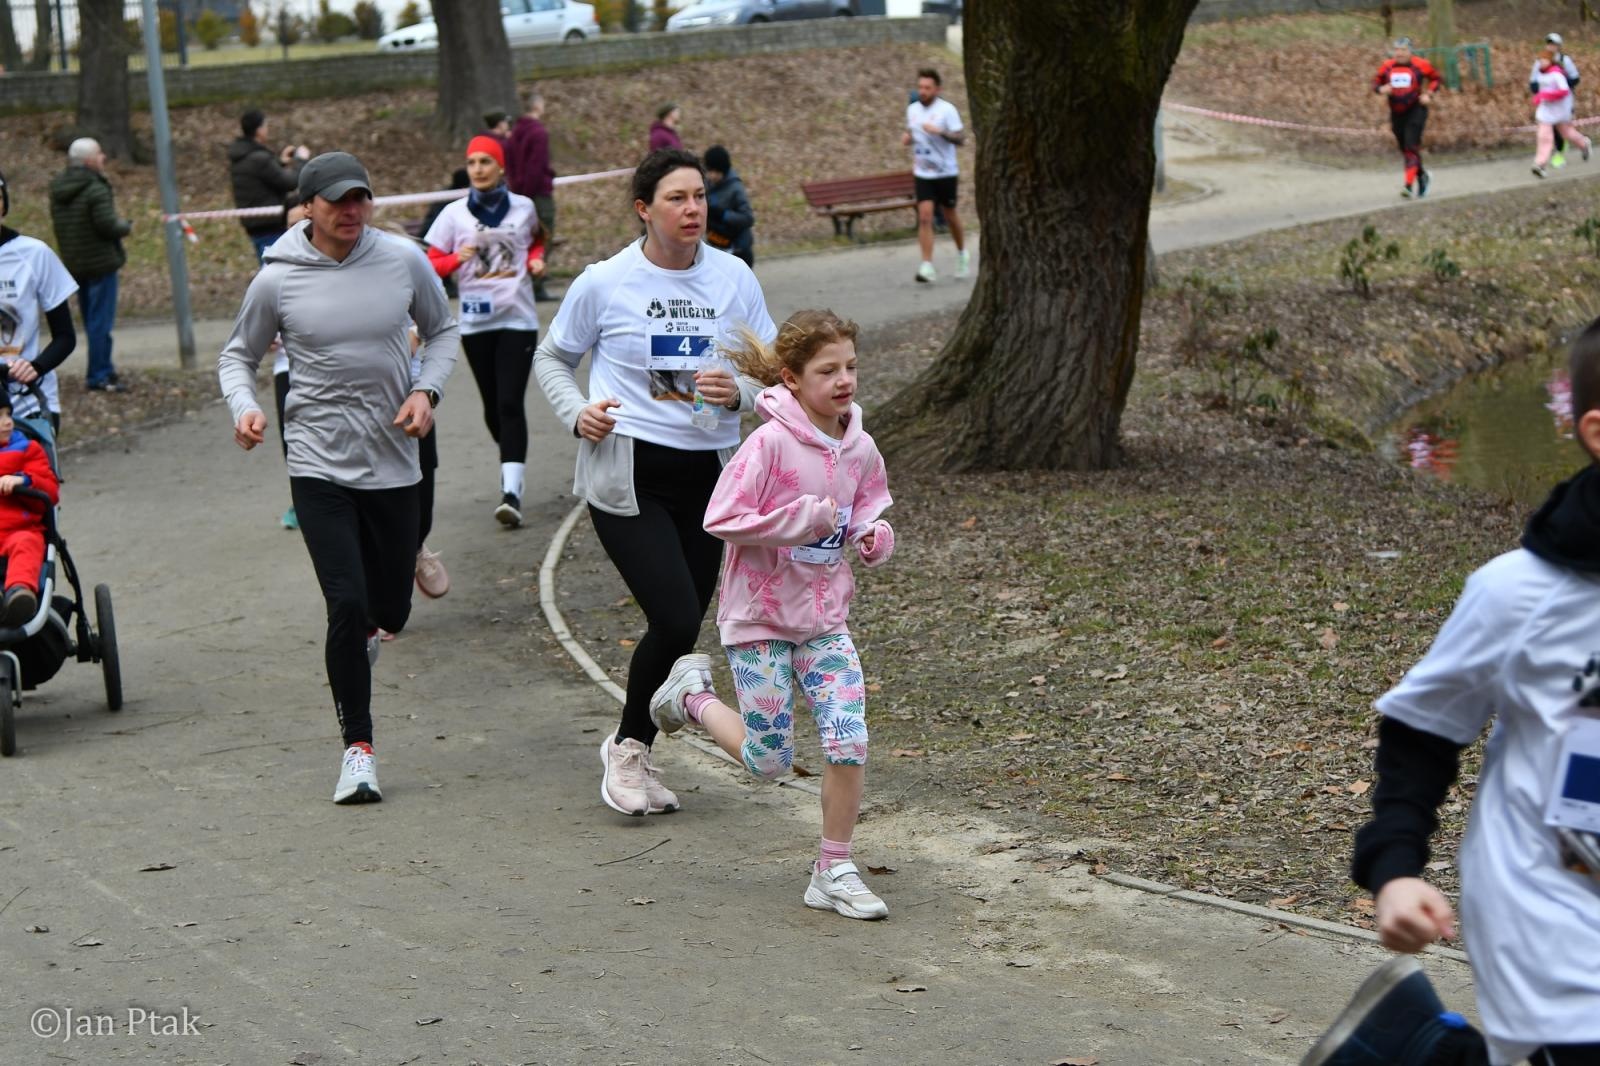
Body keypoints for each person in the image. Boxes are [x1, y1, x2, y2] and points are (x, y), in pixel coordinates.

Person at [1300, 317, 1600, 1065]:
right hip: (1549, 916)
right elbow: (1423, 729)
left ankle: (1426, 1052)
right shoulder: (1518, 597)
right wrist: (1395, 868)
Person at [534, 147, 776, 817]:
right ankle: (630, 748)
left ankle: (631, 740)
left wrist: (740, 396)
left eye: (699, 195)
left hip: (712, 476)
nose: (693, 208)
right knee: (672, 616)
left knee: (682, 624)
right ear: (645, 209)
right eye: (677, 198)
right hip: (629, 471)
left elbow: (777, 374)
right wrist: (575, 411)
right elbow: (553, 356)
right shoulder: (606, 280)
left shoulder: (734, 278)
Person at [217, 151, 459, 805]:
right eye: (337, 201)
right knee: (345, 605)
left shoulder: (402, 259)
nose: (351, 211)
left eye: (360, 198)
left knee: (389, 611)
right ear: (309, 207)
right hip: (317, 463)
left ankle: (379, 613)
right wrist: (244, 406)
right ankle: (359, 751)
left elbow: (442, 331)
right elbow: (237, 355)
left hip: (394, 462)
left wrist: (426, 393)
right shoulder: (278, 278)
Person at [649, 308, 895, 920]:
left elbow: (867, 506)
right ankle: (693, 698)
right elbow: (720, 519)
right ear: (790, 377)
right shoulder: (767, 443)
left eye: (851, 367)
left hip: (824, 620)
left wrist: (873, 534)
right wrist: (798, 520)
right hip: (759, 617)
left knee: (848, 737)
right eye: (827, 370)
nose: (844, 381)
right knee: (770, 762)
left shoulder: (858, 444)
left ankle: (833, 866)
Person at [425, 135, 546, 527]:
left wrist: (537, 261)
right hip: (476, 322)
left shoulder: (524, 208)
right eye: (472, 162)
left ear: (500, 167)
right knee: (493, 408)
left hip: (518, 319)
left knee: (510, 403)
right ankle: (510, 454)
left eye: (485, 162)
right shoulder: (453, 214)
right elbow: (430, 263)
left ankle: (511, 492)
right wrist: (452, 262)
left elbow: (535, 242)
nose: (477, 168)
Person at [48, 138, 130, 394]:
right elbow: (107, 225)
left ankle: (100, 369)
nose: (104, 157)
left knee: (90, 320)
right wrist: (126, 226)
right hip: (100, 263)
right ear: (88, 161)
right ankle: (100, 373)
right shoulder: (95, 188)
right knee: (100, 323)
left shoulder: (58, 187)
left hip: (75, 263)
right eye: (99, 153)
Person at [0, 168, 76, 434]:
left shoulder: (34, 254)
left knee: (33, 476)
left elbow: (65, 337)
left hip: (29, 402)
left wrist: (35, 367)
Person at [902, 68, 968, 284]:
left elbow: (961, 139)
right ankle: (927, 266)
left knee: (950, 215)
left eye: (927, 88)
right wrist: (908, 138)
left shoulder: (947, 110)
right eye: (920, 87)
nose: (923, 91)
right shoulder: (912, 110)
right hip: (923, 173)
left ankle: (962, 253)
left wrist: (939, 131)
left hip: (946, 172)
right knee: (925, 216)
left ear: (937, 89)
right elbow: (913, 132)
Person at [0, 389, 59, 626]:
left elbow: (51, 491)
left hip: (19, 529)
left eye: (8, 414)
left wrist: (24, 480)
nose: (7, 422)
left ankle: (19, 594)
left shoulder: (28, 450)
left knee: (27, 543)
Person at [227, 109, 310, 262]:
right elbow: (290, 182)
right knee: (276, 269)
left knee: (269, 268)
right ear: (259, 130)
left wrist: (281, 163)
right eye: (265, 126)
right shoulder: (259, 159)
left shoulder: (242, 156)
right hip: (270, 225)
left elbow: (262, 178)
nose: (267, 129)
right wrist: (301, 161)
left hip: (255, 224)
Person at [1372, 37, 1441, 199]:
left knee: (1411, 145)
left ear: (1410, 51)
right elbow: (1375, 83)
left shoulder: (1421, 64)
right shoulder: (1387, 66)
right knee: (1406, 148)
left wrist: (1428, 94)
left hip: (1416, 109)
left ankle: (1408, 186)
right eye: (1397, 50)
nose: (1400, 53)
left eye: (1403, 50)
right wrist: (1381, 89)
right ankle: (1422, 175)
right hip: (1396, 112)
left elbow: (1436, 79)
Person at [507, 88, 557, 302]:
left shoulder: (514, 133)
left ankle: (524, 283)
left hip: (517, 193)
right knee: (542, 238)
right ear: (537, 106)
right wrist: (528, 196)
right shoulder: (538, 133)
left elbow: (511, 165)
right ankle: (535, 285)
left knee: (523, 240)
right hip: (536, 195)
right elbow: (535, 168)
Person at [1532, 38, 1592, 179]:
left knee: (1567, 134)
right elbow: (1537, 85)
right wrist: (1539, 96)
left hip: (1561, 110)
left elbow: (1564, 91)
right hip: (1546, 112)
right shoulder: (1540, 73)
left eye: (1543, 60)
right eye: (1540, 60)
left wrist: (1545, 95)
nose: (1541, 63)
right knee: (1544, 137)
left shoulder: (1557, 74)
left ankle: (1584, 144)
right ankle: (1540, 165)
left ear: (1550, 61)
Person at [703, 145, 754, 268]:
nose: (712, 176)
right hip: (715, 245)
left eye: (717, 172)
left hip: (737, 249)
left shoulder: (735, 189)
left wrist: (723, 215)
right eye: (709, 171)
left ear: (724, 171)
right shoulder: (706, 184)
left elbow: (748, 218)